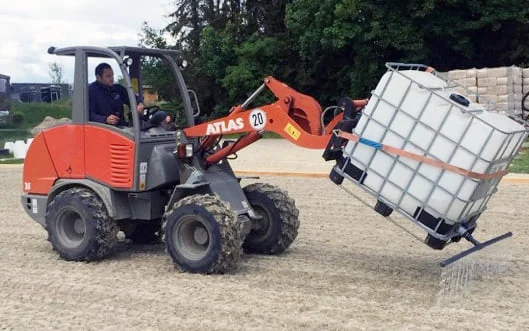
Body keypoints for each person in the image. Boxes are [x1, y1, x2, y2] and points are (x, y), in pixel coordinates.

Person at [89, 63, 173, 129]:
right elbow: (88, 114)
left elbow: (132, 98)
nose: (112, 78)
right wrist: (105, 119)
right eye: (108, 76)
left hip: (120, 126)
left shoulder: (117, 88)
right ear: (98, 77)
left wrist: (139, 103)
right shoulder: (91, 91)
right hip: (102, 128)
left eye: (112, 75)